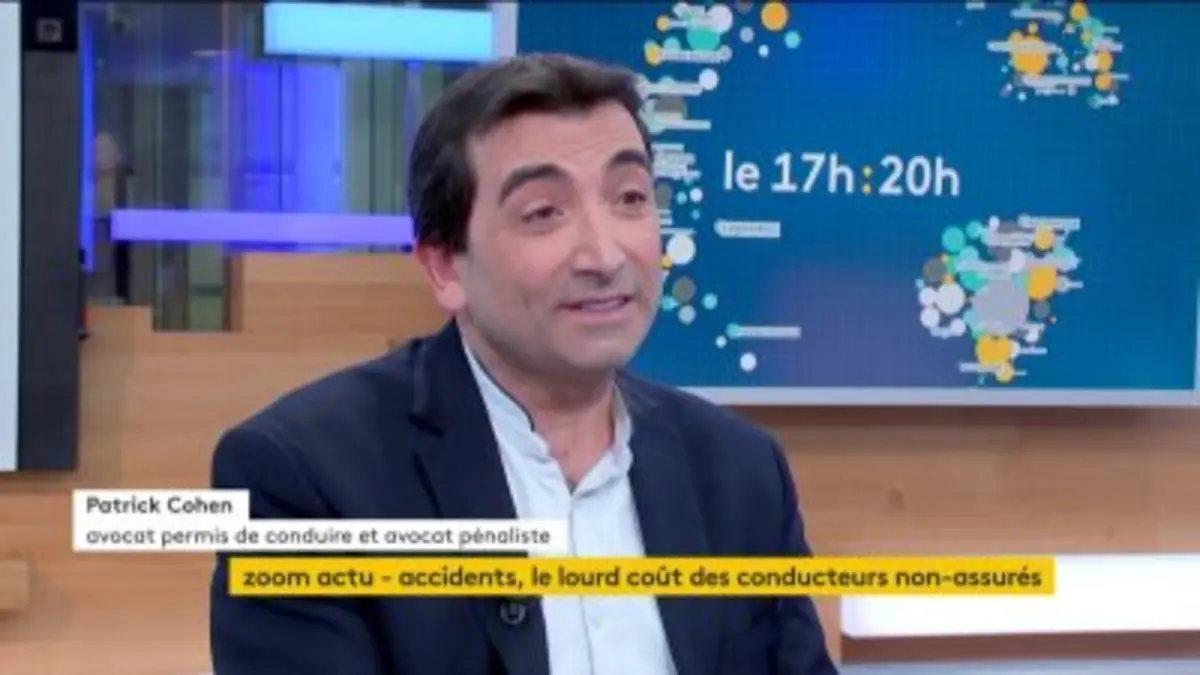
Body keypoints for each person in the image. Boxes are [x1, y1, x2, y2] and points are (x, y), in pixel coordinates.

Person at [209, 53, 838, 675]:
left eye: (630, 198)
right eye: (543, 213)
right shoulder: (306, 476)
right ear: (444, 266)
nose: (605, 255)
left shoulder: (739, 470)